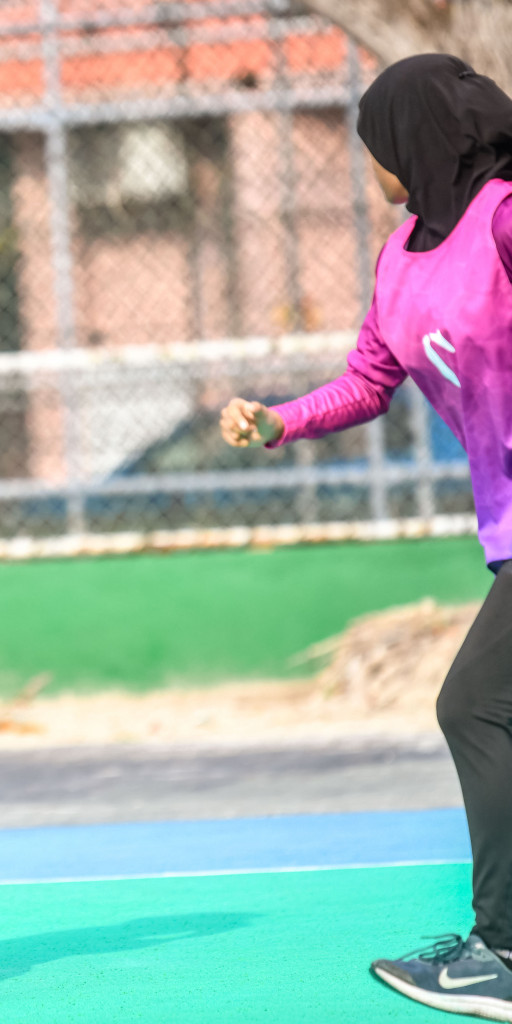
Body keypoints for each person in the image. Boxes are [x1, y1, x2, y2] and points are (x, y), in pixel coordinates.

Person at [218, 54, 512, 1021]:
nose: (372, 164)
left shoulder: (507, 214)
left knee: (474, 707)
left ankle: (503, 952)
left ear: (420, 139)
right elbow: (369, 378)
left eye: (378, 144)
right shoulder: (402, 256)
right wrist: (280, 421)